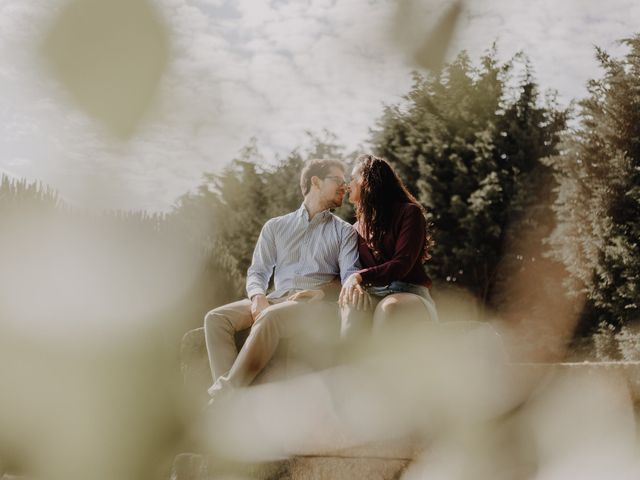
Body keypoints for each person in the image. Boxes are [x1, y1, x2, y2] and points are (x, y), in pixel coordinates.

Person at [204, 158, 360, 401]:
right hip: (277, 299)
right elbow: (257, 272)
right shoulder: (275, 227)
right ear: (316, 182)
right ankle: (233, 401)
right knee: (215, 319)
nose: (345, 186)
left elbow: (350, 277)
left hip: (314, 305)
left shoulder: (345, 231)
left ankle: (226, 393)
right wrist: (257, 297)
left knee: (271, 317)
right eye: (338, 180)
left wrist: (321, 291)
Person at [339, 154, 438, 339]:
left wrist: (359, 276)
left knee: (389, 308)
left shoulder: (410, 213)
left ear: (367, 181)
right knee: (352, 310)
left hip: (410, 292)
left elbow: (402, 263)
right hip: (373, 291)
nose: (347, 185)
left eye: (353, 178)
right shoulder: (354, 228)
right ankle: (346, 365)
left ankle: (378, 367)